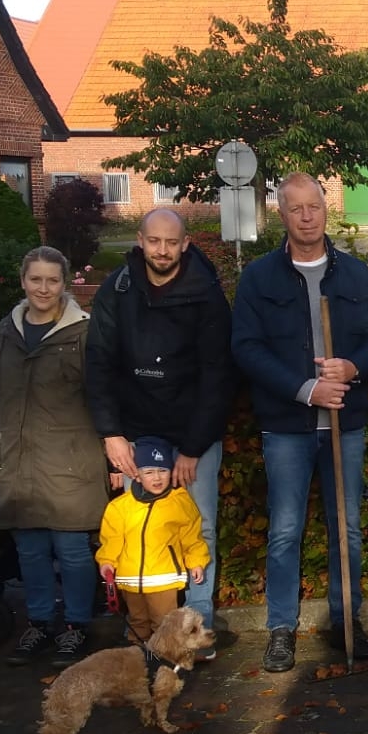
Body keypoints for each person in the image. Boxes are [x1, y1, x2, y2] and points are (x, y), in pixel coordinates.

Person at [233, 174, 368, 673]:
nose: (307, 217)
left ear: (326, 210)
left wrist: (352, 367)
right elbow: (246, 348)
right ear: (280, 214)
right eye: (296, 208)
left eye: (314, 207)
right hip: (288, 425)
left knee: (346, 528)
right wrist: (305, 389)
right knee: (285, 530)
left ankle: (346, 621)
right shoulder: (260, 277)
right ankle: (281, 628)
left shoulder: (354, 274)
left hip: (345, 422)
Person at [84, 207, 234, 628]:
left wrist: (193, 447)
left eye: (171, 242)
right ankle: (143, 628)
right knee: (135, 529)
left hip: (191, 430)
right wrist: (111, 433)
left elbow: (218, 374)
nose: (162, 250)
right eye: (154, 241)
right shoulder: (117, 289)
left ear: (185, 244)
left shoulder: (206, 294)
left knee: (199, 526)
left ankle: (196, 624)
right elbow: (99, 363)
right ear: (140, 240)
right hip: (135, 431)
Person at [0, 246, 111, 670]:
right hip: (21, 462)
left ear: (64, 284)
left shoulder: (84, 332)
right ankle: (38, 623)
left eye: (52, 280)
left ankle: (76, 626)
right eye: (35, 279)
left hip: (71, 460)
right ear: (23, 281)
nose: (43, 288)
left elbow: (103, 394)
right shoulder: (7, 331)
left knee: (71, 550)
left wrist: (115, 446)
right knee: (31, 549)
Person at [95, 437, 211, 643]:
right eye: (149, 472)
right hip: (130, 579)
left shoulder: (180, 502)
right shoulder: (120, 506)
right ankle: (138, 656)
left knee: (164, 623)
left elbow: (192, 536)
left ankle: (167, 658)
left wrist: (196, 561)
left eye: (162, 470)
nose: (157, 477)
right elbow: (112, 538)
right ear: (137, 476)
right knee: (137, 622)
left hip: (163, 578)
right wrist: (107, 561)